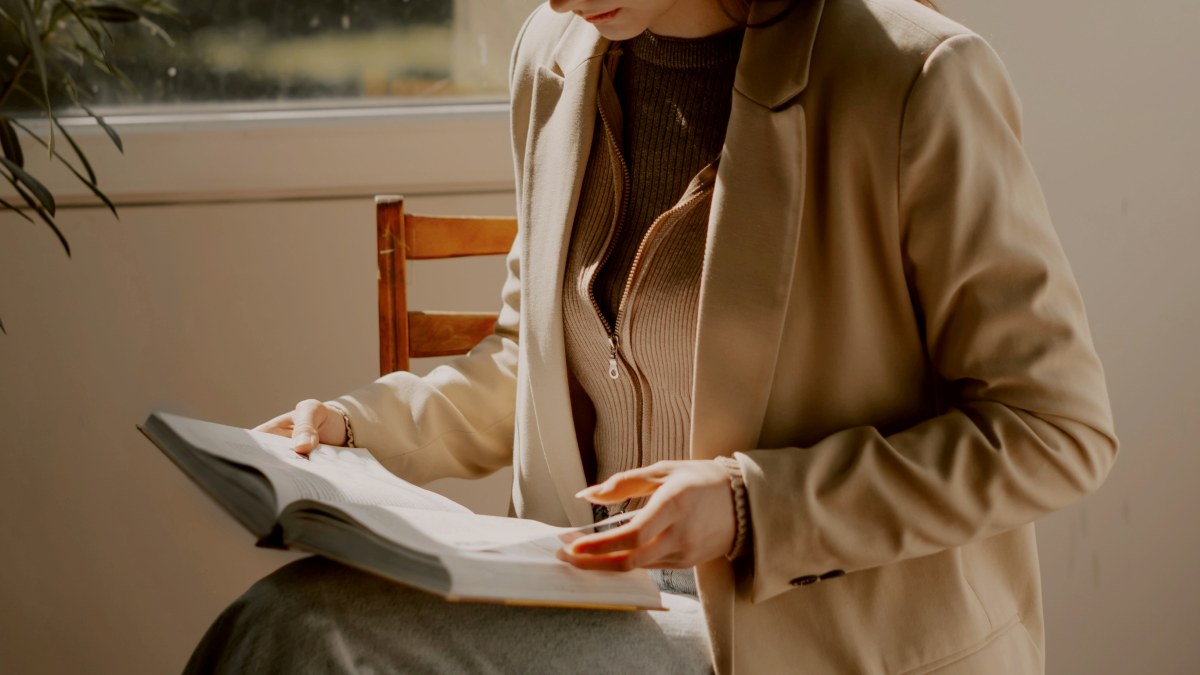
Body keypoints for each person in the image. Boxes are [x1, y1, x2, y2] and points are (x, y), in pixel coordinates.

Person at [186, 0, 1118, 673]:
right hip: (603, 598)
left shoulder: (912, 76)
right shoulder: (558, 56)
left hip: (818, 636)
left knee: (300, 634)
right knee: (290, 621)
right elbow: (531, 359)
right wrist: (353, 429)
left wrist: (751, 504)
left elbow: (1056, 430)